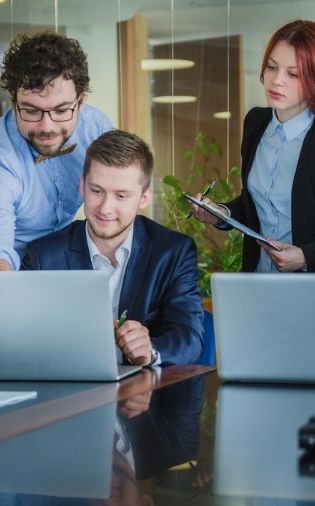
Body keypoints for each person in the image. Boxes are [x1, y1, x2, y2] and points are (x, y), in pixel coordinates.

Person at [190, 19, 315, 272]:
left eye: (293, 74)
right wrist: (222, 213)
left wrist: (307, 255)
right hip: (259, 277)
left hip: (313, 285)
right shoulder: (256, 123)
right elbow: (259, 204)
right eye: (272, 67)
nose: (277, 80)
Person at [0, 31, 113, 272]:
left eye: (61, 111)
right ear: (13, 101)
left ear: (81, 101)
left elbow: (122, 194)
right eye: (31, 111)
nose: (47, 127)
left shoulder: (95, 128)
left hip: (35, 271)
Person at [22, 130, 204, 366]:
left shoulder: (173, 252)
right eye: (97, 191)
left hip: (146, 387)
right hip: (68, 385)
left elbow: (189, 338)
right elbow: (24, 340)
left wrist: (151, 350)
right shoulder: (42, 257)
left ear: (144, 197)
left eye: (121, 195)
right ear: (82, 186)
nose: (105, 208)